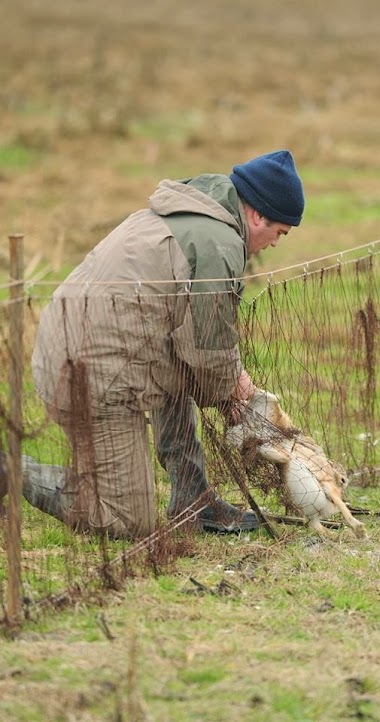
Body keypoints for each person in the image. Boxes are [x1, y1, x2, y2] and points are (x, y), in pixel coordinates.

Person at [0, 150, 305, 538]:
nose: (276, 243)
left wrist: (226, 380)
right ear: (258, 215)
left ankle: (193, 500)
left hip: (76, 349)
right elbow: (208, 347)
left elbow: (191, 344)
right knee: (126, 518)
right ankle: (10, 470)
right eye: (280, 231)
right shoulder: (218, 243)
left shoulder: (191, 212)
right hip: (90, 377)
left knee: (177, 366)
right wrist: (234, 389)